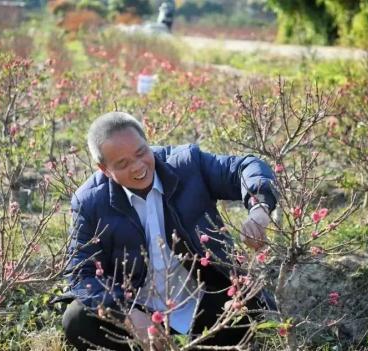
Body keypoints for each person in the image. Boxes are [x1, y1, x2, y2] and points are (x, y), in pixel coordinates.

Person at [59, 112, 277, 350]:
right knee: (77, 320)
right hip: (136, 306)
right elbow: (80, 272)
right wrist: (128, 315)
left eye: (141, 152)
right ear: (104, 169)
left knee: (246, 309)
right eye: (122, 164)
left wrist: (260, 209)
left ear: (147, 142)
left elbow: (245, 167)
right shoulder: (89, 201)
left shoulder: (187, 164)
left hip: (204, 298)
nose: (138, 166)